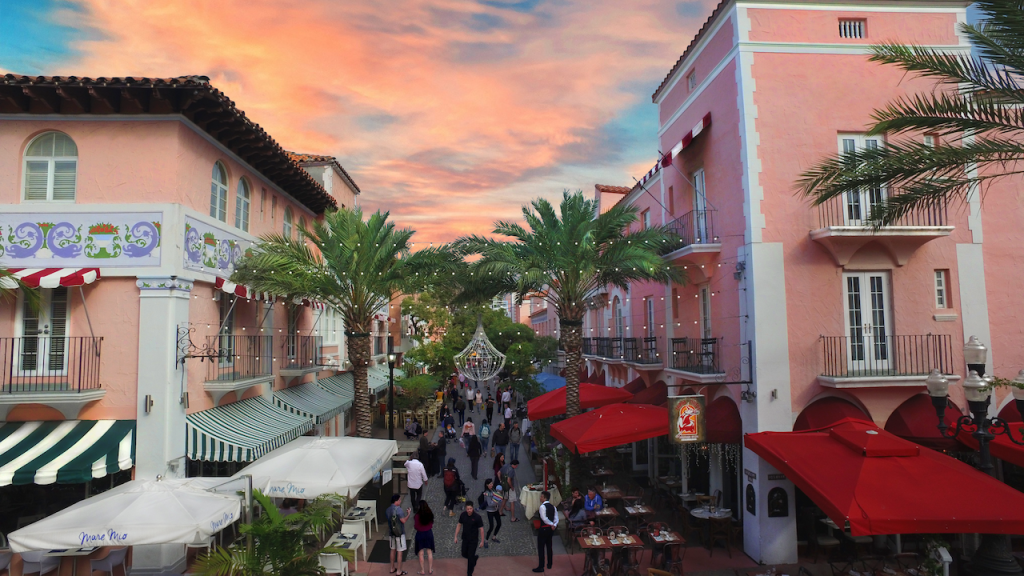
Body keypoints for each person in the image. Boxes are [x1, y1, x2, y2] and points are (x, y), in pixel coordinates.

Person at [454, 501, 485, 576]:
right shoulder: (463, 515)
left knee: (470, 558)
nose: (469, 510)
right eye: (468, 509)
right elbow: (459, 525)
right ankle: (474, 559)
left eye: (470, 508)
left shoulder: (477, 517)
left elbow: (481, 529)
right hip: (465, 538)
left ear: (473, 508)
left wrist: (482, 541)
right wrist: (455, 536)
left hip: (473, 540)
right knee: (464, 553)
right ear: (465, 508)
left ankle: (469, 573)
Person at [532, 490, 558, 573]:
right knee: (549, 546)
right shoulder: (553, 507)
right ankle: (549, 564)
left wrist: (551, 524)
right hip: (550, 530)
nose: (540, 498)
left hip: (544, 529)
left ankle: (541, 566)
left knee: (541, 547)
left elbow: (544, 518)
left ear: (544, 498)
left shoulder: (542, 507)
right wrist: (554, 524)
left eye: (541, 496)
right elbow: (556, 518)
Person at [387, 494, 411, 576]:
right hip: (399, 534)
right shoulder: (399, 510)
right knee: (399, 552)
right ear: (396, 501)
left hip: (391, 533)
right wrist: (408, 514)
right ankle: (399, 571)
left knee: (392, 550)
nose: (400, 501)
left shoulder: (388, 510)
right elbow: (403, 521)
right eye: (399, 500)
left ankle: (392, 568)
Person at [414, 500, 435, 575]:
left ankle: (422, 570)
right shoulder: (430, 514)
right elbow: (432, 523)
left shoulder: (417, 516)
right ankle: (430, 569)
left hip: (420, 534)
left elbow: (416, 526)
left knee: (421, 553)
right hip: (429, 533)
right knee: (429, 552)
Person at [481, 479, 503, 547]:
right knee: (491, 526)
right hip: (490, 511)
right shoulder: (486, 493)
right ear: (487, 485)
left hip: (495, 510)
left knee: (499, 524)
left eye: (492, 484)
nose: (491, 485)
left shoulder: (493, 490)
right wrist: (496, 501)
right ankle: (486, 540)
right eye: (490, 484)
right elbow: (490, 504)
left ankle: (494, 537)